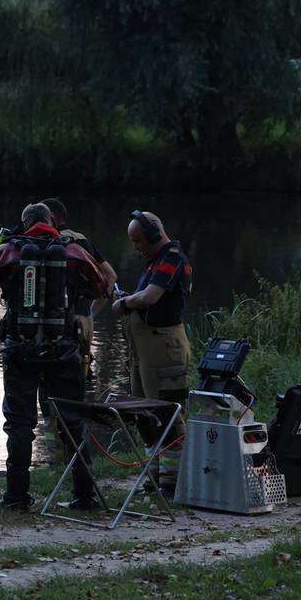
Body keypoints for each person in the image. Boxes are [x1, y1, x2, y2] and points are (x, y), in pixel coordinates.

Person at [0, 202, 108, 511]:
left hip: (21, 350)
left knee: (20, 424)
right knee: (72, 421)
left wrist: (1, 244)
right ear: (52, 223)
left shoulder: (12, 251)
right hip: (64, 350)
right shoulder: (72, 251)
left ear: (24, 224)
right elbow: (102, 285)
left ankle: (17, 497)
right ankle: (84, 496)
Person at [110, 210, 192, 495]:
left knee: (166, 412)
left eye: (138, 241)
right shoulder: (154, 262)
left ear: (155, 235)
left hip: (163, 348)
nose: (136, 247)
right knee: (143, 413)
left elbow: (150, 297)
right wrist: (129, 300)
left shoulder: (172, 258)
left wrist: (124, 303)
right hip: (143, 352)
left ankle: (172, 481)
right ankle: (153, 475)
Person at [40, 198, 118, 379]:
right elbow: (111, 277)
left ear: (50, 217)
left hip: (60, 325)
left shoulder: (50, 241)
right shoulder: (81, 239)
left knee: (55, 385)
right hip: (84, 321)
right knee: (78, 384)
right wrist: (91, 314)